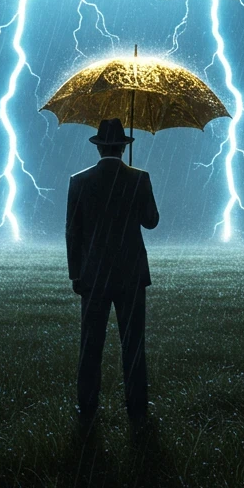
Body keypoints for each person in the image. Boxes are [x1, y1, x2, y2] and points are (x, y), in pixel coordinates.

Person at [66, 118, 159, 428]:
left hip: (92, 276)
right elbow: (151, 221)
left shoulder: (79, 181)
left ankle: (87, 406)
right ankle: (136, 407)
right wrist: (135, 190)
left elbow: (73, 232)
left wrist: (75, 274)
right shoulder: (139, 178)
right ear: (122, 147)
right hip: (131, 275)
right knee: (133, 344)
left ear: (99, 148)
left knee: (90, 344)